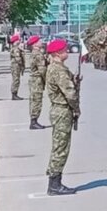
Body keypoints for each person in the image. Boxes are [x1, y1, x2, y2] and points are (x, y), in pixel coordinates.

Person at [44, 39, 79, 195]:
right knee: (61, 149)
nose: (67, 52)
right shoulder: (58, 70)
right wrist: (77, 108)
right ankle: (54, 184)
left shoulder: (58, 68)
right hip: (62, 110)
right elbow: (69, 93)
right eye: (65, 50)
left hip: (59, 110)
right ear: (58, 53)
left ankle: (55, 180)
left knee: (60, 147)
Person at [26, 35, 46, 129]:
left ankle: (33, 120)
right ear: (35, 44)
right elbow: (42, 70)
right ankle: (34, 121)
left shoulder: (35, 53)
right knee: (36, 101)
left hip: (34, 79)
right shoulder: (38, 54)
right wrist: (48, 80)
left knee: (33, 100)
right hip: (37, 80)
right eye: (39, 40)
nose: (41, 41)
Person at [9, 34, 25, 100]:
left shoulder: (16, 48)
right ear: (15, 41)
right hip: (16, 66)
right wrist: (21, 65)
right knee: (16, 80)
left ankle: (15, 94)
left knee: (16, 80)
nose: (19, 41)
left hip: (15, 66)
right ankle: (14, 94)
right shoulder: (16, 49)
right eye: (18, 40)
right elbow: (18, 58)